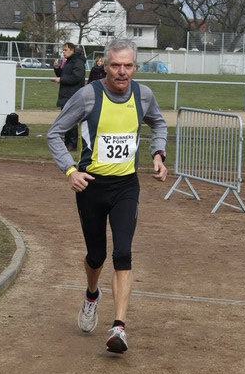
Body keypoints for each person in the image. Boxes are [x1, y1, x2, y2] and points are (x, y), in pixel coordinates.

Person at [46, 38, 167, 354]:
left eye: (128, 65)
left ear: (135, 67)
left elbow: (158, 123)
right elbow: (54, 133)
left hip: (126, 186)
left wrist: (158, 153)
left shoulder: (143, 95)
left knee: (123, 252)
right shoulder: (88, 96)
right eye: (116, 65)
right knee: (96, 256)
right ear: (104, 66)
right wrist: (70, 171)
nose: (122, 71)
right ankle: (91, 295)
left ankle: (119, 327)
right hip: (91, 187)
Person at [52, 42, 86, 150]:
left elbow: (76, 77)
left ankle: (72, 144)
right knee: (66, 120)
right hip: (66, 95)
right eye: (63, 50)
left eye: (65, 50)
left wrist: (61, 79)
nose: (63, 52)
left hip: (73, 95)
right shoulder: (69, 61)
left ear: (72, 50)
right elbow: (64, 75)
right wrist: (57, 69)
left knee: (71, 120)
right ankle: (67, 143)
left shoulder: (78, 62)